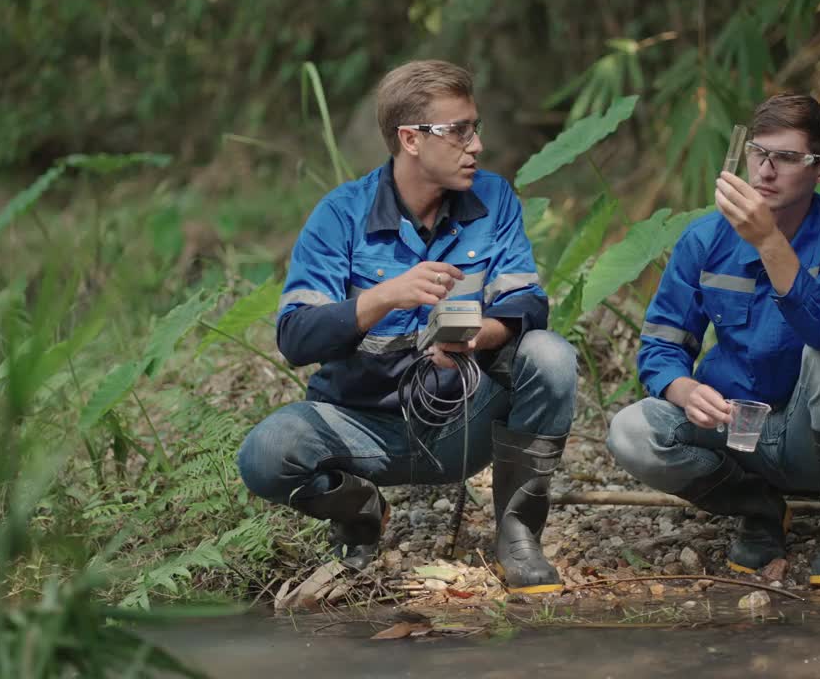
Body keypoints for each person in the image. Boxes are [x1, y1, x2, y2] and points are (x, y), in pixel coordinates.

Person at [236, 60, 577, 594]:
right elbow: (296, 337)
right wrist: (384, 297)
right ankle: (362, 510)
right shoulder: (340, 215)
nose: (477, 145)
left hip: (465, 422)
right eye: (458, 130)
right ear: (410, 139)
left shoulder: (494, 199)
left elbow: (527, 303)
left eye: (475, 127)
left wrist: (474, 339)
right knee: (266, 452)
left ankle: (517, 535)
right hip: (361, 427)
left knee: (551, 354)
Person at [606, 94, 820, 586]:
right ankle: (757, 507)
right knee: (631, 431)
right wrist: (684, 390)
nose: (766, 170)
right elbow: (659, 347)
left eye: (785, 157)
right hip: (738, 430)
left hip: (813, 438)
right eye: (758, 153)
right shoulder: (704, 238)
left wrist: (769, 243)